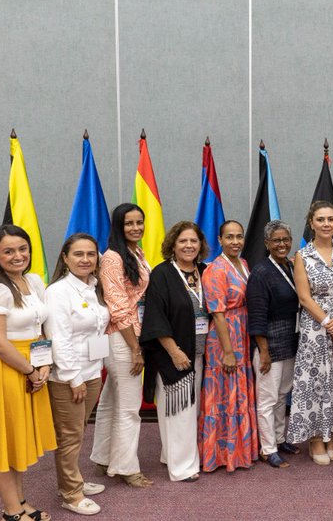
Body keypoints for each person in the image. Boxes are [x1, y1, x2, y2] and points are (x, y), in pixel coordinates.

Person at [0, 225, 57, 521]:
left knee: (20, 440)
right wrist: (30, 370)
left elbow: (41, 327)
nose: (18, 256)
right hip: (6, 368)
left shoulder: (34, 281)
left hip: (33, 364)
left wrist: (44, 364)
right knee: (6, 442)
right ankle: (11, 511)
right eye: (8, 251)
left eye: (22, 249)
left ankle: (20, 500)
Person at [44, 234, 110, 515]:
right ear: (65, 257)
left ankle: (75, 480)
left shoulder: (94, 287)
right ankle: (71, 493)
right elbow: (59, 338)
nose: (85, 259)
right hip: (69, 377)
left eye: (91, 254)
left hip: (93, 370)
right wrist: (74, 378)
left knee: (79, 430)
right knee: (70, 435)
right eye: (79, 254)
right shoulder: (58, 292)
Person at [288, 202, 333, 464]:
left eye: (331, 219)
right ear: (311, 223)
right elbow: (305, 299)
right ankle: (316, 438)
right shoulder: (302, 256)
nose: (326, 224)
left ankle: (331, 435)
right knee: (315, 381)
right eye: (321, 219)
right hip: (315, 329)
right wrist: (332, 324)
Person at [140, 221, 209, 482]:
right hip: (173, 354)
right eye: (183, 241)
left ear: (201, 244)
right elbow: (155, 318)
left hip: (200, 353)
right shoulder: (162, 274)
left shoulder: (205, 271)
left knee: (188, 410)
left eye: (194, 241)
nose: (189, 246)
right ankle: (183, 468)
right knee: (179, 409)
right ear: (173, 244)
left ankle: (172, 455)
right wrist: (175, 351)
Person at [90, 203, 153, 488]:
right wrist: (135, 348)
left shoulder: (134, 251)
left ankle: (104, 457)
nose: (136, 228)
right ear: (118, 225)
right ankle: (127, 468)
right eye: (129, 223)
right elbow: (117, 306)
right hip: (121, 336)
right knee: (128, 407)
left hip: (128, 334)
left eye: (139, 222)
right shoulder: (113, 257)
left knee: (111, 399)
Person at [199, 220, 259, 472]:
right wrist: (227, 351)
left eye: (239, 237)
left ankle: (241, 450)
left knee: (239, 391)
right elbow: (218, 313)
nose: (235, 241)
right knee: (224, 394)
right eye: (230, 237)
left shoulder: (243, 264)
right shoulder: (215, 269)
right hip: (224, 337)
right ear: (220, 240)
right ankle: (222, 454)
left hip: (242, 332)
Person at [246, 220, 302, 468]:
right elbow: (257, 315)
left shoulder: (291, 266)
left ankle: (280, 439)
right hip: (269, 345)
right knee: (267, 399)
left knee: (282, 395)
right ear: (267, 243)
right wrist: (263, 351)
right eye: (276, 240)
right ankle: (268, 449)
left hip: (290, 341)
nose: (282, 244)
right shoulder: (260, 272)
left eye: (285, 240)